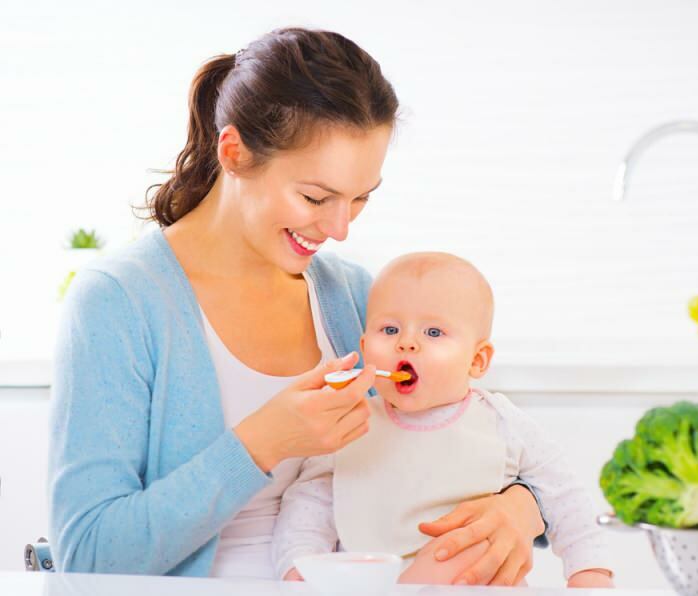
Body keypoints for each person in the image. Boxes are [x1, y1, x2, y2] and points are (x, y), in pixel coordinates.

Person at [48, 28, 545, 585]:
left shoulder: (356, 298)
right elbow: (87, 555)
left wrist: (521, 506)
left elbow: (478, 430)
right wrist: (265, 441)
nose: (338, 227)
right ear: (233, 152)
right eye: (315, 197)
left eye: (360, 199)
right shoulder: (119, 303)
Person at [273, 253, 615, 588]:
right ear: (364, 347)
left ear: (477, 360)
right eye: (390, 329)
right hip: (375, 584)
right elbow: (308, 504)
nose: (406, 343)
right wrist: (299, 566)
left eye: (434, 333)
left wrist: (591, 571)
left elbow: (566, 498)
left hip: (473, 580)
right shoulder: (348, 423)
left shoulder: (501, 422)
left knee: (471, 548)